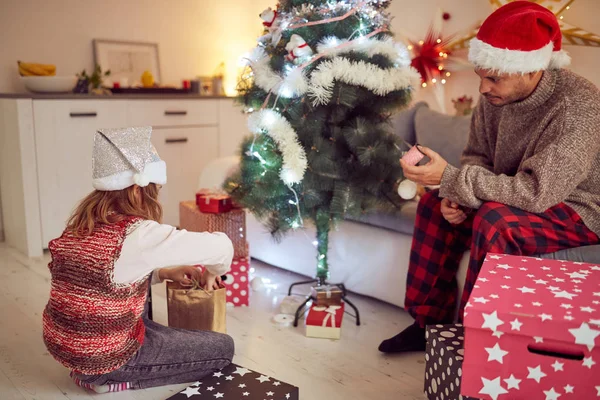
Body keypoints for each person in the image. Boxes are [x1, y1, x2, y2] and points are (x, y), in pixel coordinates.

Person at [379, 1, 600, 354]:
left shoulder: (578, 105)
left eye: (493, 78)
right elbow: (477, 158)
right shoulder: (494, 97)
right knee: (433, 206)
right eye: (481, 75)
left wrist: (454, 180)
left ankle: (478, 340)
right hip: (511, 196)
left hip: (576, 208)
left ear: (531, 70)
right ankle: (427, 324)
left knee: (495, 222)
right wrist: (456, 196)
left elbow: (537, 192)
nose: (483, 88)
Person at [42, 126, 235, 392]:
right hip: (108, 358)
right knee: (224, 349)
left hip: (67, 346)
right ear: (136, 190)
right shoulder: (138, 234)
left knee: (144, 314)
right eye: (154, 191)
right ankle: (112, 378)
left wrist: (164, 273)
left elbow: (106, 279)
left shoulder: (80, 225)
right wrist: (215, 270)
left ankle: (96, 370)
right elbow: (223, 247)